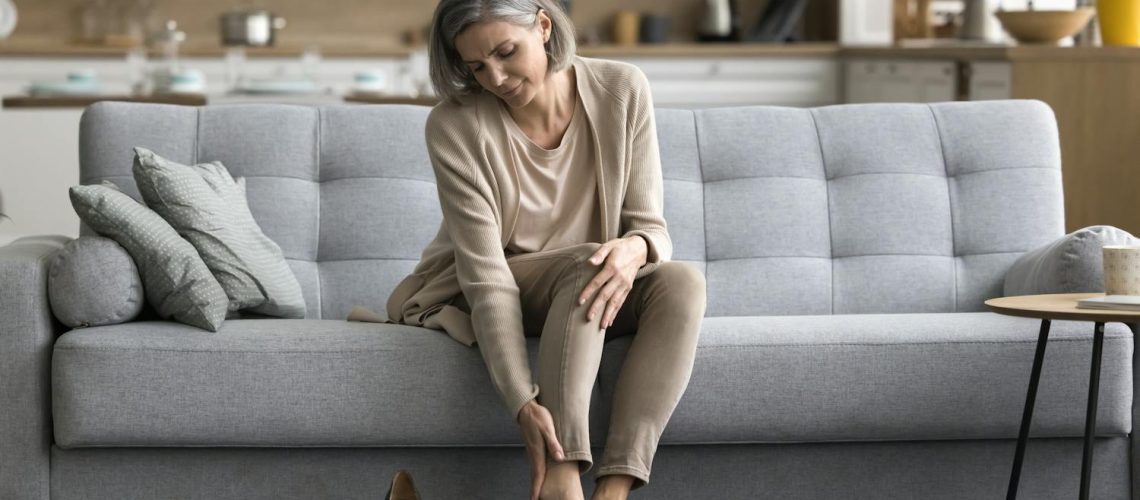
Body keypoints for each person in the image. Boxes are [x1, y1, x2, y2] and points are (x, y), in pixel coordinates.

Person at [384, 0, 706, 498]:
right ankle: (561, 478)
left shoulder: (622, 89)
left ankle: (615, 488)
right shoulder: (454, 125)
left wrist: (636, 248)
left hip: (588, 288)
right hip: (501, 286)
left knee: (682, 281)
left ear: (543, 24)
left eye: (506, 52)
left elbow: (651, 228)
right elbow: (487, 278)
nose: (495, 77)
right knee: (588, 261)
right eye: (475, 66)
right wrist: (519, 399)